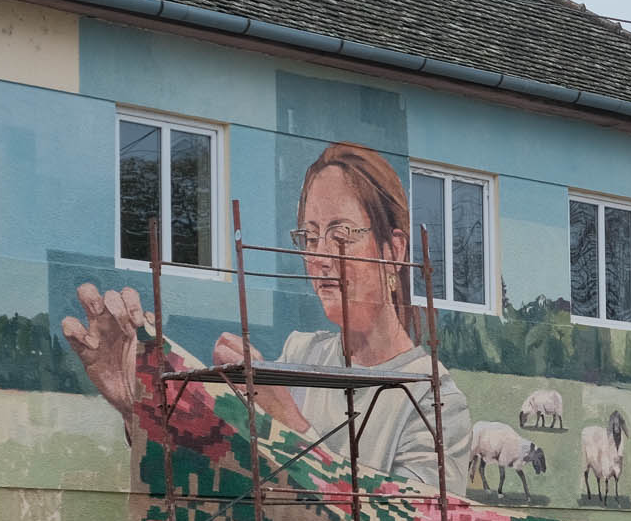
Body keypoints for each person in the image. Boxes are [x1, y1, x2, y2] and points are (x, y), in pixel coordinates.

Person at [62, 141, 472, 489]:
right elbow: (231, 485)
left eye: (340, 235)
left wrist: (289, 422)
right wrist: (140, 409)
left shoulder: (434, 400)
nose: (319, 257)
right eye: (309, 237)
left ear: (394, 250)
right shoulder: (301, 355)